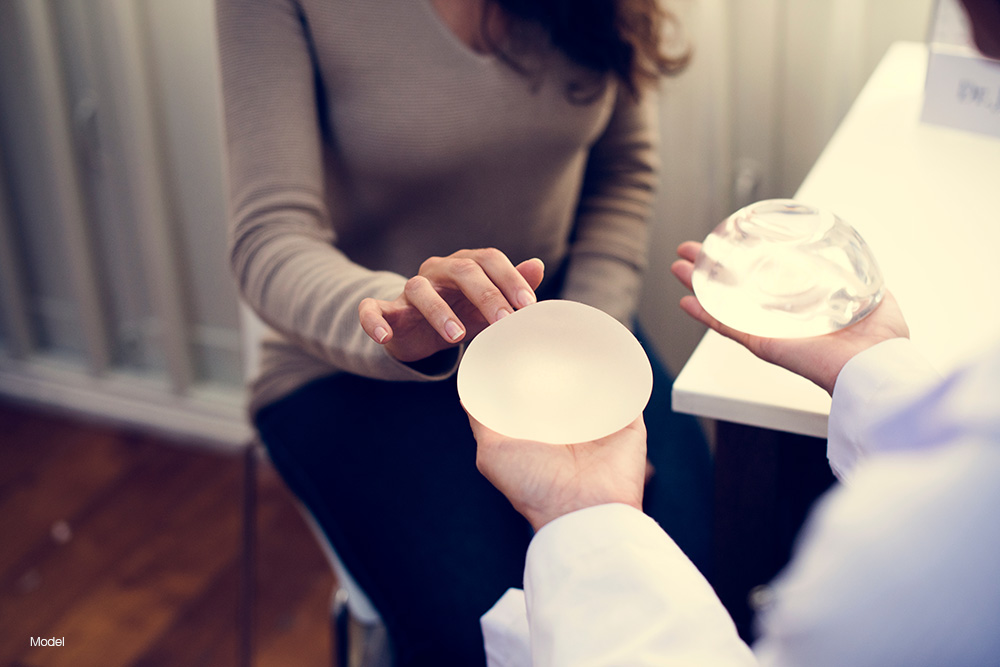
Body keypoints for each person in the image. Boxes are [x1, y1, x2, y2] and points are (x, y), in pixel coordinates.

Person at [474, 5, 1000, 660]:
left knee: (706, 542)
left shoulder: (887, 571)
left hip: (571, 325)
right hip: (363, 359)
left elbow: (624, 170)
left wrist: (586, 518)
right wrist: (875, 364)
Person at [215, 1, 712, 664]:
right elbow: (268, 240)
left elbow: (622, 171)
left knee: (696, 566)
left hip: (555, 331)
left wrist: (589, 354)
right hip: (356, 369)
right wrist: (391, 317)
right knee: (492, 634)